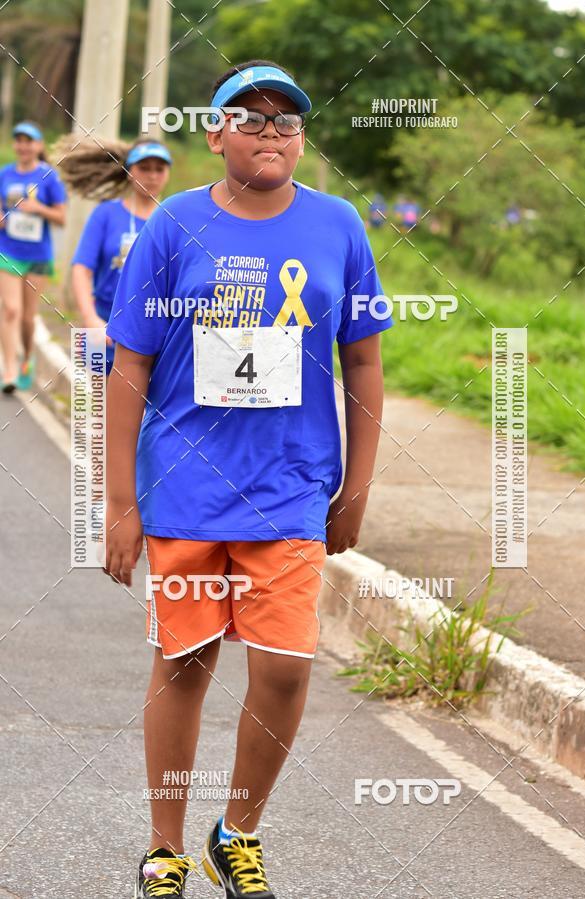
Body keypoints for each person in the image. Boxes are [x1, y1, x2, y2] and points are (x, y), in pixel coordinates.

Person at [104, 60, 394, 899]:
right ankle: (166, 847)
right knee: (184, 660)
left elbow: (365, 360)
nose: (271, 133)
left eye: (287, 121)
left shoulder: (339, 225)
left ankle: (237, 832)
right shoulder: (173, 226)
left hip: (293, 487)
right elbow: (128, 366)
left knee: (286, 668)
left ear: (303, 138)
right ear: (215, 132)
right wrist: (120, 501)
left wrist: (357, 486)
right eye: (251, 118)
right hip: (187, 487)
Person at [58, 138, 172, 376]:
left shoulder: (172, 219)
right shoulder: (106, 213)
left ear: (167, 173)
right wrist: (90, 320)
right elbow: (82, 268)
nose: (152, 175)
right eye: (144, 168)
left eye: (159, 169)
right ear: (130, 172)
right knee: (89, 409)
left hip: (149, 329)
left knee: (137, 411)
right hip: (102, 323)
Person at [0, 121, 66, 394]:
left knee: (28, 317)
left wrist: (37, 208)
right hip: (8, 250)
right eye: (19, 140)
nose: (24, 146)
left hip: (38, 255)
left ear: (38, 146)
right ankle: (10, 370)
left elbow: (61, 218)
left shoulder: (48, 177)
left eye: (29, 141)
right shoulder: (5, 174)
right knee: (10, 309)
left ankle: (28, 356)